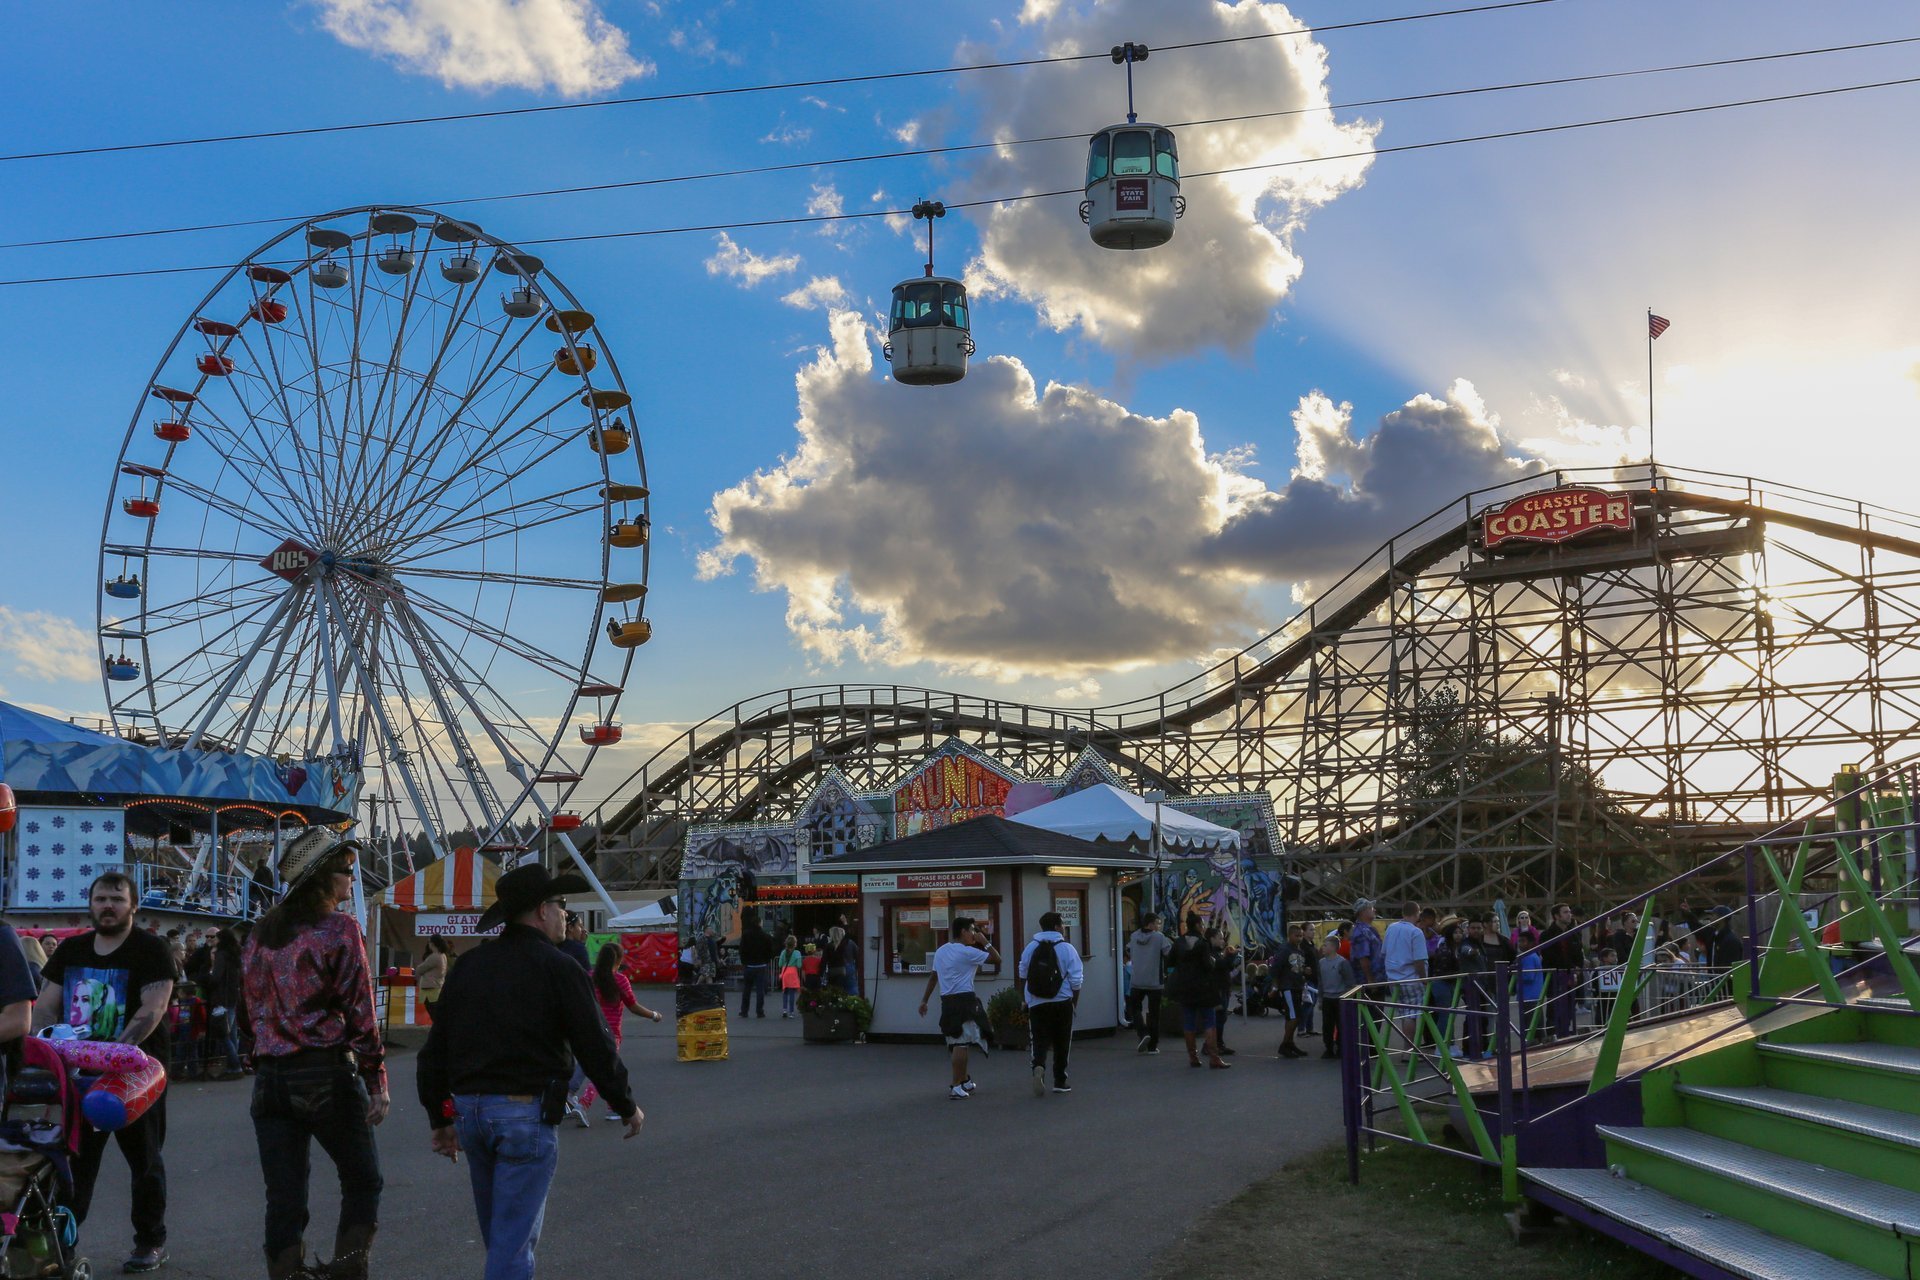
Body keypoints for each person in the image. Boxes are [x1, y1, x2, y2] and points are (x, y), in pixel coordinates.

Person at [420, 865, 644, 1280]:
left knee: (500, 1236)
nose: (565, 915)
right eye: (562, 906)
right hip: (525, 1111)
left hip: (470, 1111)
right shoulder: (559, 968)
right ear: (542, 910)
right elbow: (595, 1045)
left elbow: (435, 1050)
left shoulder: (469, 966)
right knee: (513, 1241)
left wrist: (440, 1116)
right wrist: (625, 1103)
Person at [242, 830, 387, 1280]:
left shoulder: (260, 934)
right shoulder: (339, 930)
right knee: (363, 1179)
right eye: (346, 870)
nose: (351, 879)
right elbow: (360, 1011)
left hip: (269, 1082)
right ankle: (347, 1272)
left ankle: (285, 1274)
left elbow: (249, 1014)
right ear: (324, 879)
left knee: (284, 1195)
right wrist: (375, 1078)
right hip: (323, 1074)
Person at [35, 872, 178, 1273]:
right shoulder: (72, 949)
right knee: (73, 1165)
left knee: (144, 1161)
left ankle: (150, 1241)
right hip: (77, 1074)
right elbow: (46, 1005)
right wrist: (40, 1049)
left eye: (117, 898)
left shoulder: (151, 949)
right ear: (90, 904)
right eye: (100, 899)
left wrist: (117, 1051)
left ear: (133, 905)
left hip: (136, 1075)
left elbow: (153, 1008)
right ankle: (60, 1243)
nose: (108, 906)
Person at [576, 943, 664, 1122]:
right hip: (611, 1033)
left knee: (602, 1068)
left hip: (591, 1029)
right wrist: (654, 1015)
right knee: (606, 1071)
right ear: (619, 960)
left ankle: (612, 1108)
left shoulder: (590, 977)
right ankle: (583, 1104)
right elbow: (633, 1006)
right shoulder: (620, 980)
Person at [916, 916, 999, 1100]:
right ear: (963, 931)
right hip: (964, 999)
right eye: (972, 930)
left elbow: (933, 977)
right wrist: (985, 942)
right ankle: (955, 1085)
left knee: (963, 1040)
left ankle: (964, 1080)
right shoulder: (968, 952)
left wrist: (924, 1000)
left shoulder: (942, 951)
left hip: (947, 1000)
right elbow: (997, 958)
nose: (974, 934)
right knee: (960, 1043)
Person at [1018, 911, 1084, 1096]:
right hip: (1062, 1001)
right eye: (1062, 924)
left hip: (1037, 1001)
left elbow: (1022, 972)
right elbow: (1076, 979)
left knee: (1038, 1039)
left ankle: (1038, 1066)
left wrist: (1025, 998)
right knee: (1062, 1041)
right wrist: (1074, 1002)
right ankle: (1060, 1080)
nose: (1063, 927)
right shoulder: (1067, 948)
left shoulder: (1031, 947)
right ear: (1056, 927)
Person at [1168, 915, 1229, 1069]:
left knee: (1189, 1021)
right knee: (1210, 1020)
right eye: (1202, 924)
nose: (1203, 927)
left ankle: (1193, 1057)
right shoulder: (1203, 943)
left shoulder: (1179, 942)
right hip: (1203, 987)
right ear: (1196, 925)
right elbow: (1208, 965)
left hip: (1185, 987)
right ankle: (1214, 1057)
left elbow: (1169, 962)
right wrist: (1213, 961)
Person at [1125, 912, 1172, 1054]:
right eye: (1157, 923)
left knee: (1135, 1008)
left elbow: (1128, 949)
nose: (1158, 926)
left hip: (1137, 980)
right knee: (1154, 1013)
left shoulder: (1133, 936)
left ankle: (1143, 1032)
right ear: (1151, 924)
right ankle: (1152, 1046)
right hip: (1154, 981)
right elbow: (1168, 952)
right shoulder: (1159, 937)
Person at [1381, 901, 1429, 1039]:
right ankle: (1409, 1050)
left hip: (1393, 977)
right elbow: (1419, 960)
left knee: (1403, 1013)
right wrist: (1424, 979)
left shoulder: (1391, 928)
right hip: (1410, 978)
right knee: (1411, 1015)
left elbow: (1384, 952)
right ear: (1417, 913)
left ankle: (1406, 1050)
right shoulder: (1416, 932)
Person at [1539, 903, 1585, 1039]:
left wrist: (1577, 969)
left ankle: (1565, 1034)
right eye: (1565, 912)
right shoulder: (1547, 935)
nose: (1569, 914)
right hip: (1555, 977)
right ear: (1556, 916)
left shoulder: (1574, 933)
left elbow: (1579, 953)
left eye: (1569, 911)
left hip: (1571, 977)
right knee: (1554, 1010)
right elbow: (1550, 956)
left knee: (1570, 1008)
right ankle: (1553, 1036)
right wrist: (1571, 967)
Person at [206, 926, 245, 1078]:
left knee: (224, 1034)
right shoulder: (236, 954)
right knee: (232, 1033)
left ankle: (235, 1067)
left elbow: (216, 977)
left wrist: (207, 978)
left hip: (222, 997)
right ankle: (233, 1067)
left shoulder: (222, 955)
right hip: (234, 996)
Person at [1271, 923, 1312, 1059]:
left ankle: (1290, 1042)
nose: (1299, 938)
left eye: (1301, 936)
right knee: (1292, 1017)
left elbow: (1297, 967)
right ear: (1290, 936)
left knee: (1297, 1016)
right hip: (1288, 987)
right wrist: (1275, 987)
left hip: (1297, 986)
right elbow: (1275, 968)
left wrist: (1304, 970)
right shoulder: (1284, 950)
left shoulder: (1299, 951)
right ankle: (1285, 1044)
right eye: (1297, 936)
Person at [1316, 935, 1356, 1059]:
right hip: (1328, 998)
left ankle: (1341, 1047)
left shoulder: (1342, 962)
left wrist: (1348, 998)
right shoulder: (1321, 963)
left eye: (1325, 945)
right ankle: (1328, 1047)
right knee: (1327, 1025)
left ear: (1333, 947)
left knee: (1341, 1024)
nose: (1323, 947)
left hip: (1340, 998)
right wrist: (1320, 999)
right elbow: (1321, 982)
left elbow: (1350, 982)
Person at [737, 911, 776, 1019]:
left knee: (747, 989)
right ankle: (760, 1011)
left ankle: (744, 1011)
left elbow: (742, 950)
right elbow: (770, 951)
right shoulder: (765, 936)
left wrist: (744, 962)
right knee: (760, 990)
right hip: (761, 965)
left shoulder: (746, 935)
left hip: (749, 965)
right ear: (759, 923)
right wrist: (766, 960)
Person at [1348, 900, 1382, 987]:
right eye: (1371, 908)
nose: (1374, 910)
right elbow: (1363, 958)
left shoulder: (1369, 930)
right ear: (1363, 911)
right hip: (1368, 982)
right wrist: (1370, 981)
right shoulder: (1361, 932)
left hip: (1378, 979)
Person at [417, 936, 453, 1014]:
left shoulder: (434, 956)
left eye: (429, 942)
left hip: (431, 987)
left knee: (433, 1011)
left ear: (432, 944)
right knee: (436, 1010)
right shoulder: (442, 955)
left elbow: (420, 969)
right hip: (437, 985)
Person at [775, 935, 805, 1019]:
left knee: (785, 993)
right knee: (792, 994)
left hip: (785, 973)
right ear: (794, 944)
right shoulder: (797, 953)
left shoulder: (783, 952)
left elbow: (780, 964)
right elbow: (799, 965)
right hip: (793, 973)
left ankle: (784, 1010)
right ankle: (791, 1012)